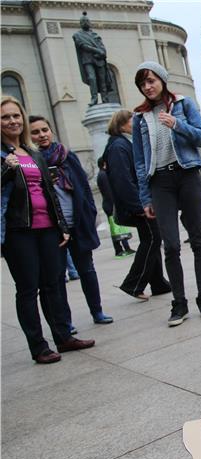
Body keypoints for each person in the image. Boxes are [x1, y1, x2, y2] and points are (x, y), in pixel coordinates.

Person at [1, 95, 95, 363]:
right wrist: (6, 170)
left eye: (16, 115)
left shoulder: (33, 153)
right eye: (5, 117)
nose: (13, 121)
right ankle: (38, 346)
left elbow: (49, 193)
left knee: (54, 284)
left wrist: (62, 226)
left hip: (48, 228)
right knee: (29, 288)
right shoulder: (1, 155)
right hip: (19, 230)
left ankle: (63, 337)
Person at [131, 61, 201, 326]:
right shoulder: (139, 117)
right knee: (171, 245)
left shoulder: (183, 104)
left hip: (187, 174)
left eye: (152, 80)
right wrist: (145, 197)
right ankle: (179, 303)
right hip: (160, 182)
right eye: (143, 83)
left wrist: (177, 124)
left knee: (197, 240)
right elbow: (140, 161)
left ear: (163, 80)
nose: (148, 86)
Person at [29, 115, 114, 326]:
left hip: (77, 222)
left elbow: (83, 187)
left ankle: (97, 312)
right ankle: (65, 323)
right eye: (35, 132)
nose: (41, 135)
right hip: (52, 228)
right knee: (57, 277)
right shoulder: (31, 161)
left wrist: (89, 212)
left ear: (51, 131)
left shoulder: (67, 155)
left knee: (87, 270)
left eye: (44, 130)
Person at [104, 109, 171, 301]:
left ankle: (158, 283)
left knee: (151, 239)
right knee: (151, 240)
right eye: (133, 120)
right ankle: (133, 283)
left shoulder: (123, 144)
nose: (136, 123)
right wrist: (139, 205)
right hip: (137, 205)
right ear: (122, 123)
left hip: (137, 203)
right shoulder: (119, 146)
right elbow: (122, 180)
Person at [72, 12, 114, 106]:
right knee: (92, 78)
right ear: (80, 23)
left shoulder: (95, 35)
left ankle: (105, 98)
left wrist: (101, 52)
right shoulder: (77, 35)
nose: (85, 22)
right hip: (87, 60)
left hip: (99, 60)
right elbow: (82, 46)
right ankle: (94, 98)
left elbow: (102, 48)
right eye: (83, 21)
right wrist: (97, 50)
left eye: (87, 21)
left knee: (102, 80)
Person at [96, 157, 134, 257]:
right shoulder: (103, 175)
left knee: (118, 228)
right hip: (111, 205)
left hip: (109, 204)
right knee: (117, 228)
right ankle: (120, 249)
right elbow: (109, 192)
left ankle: (124, 248)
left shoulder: (101, 174)